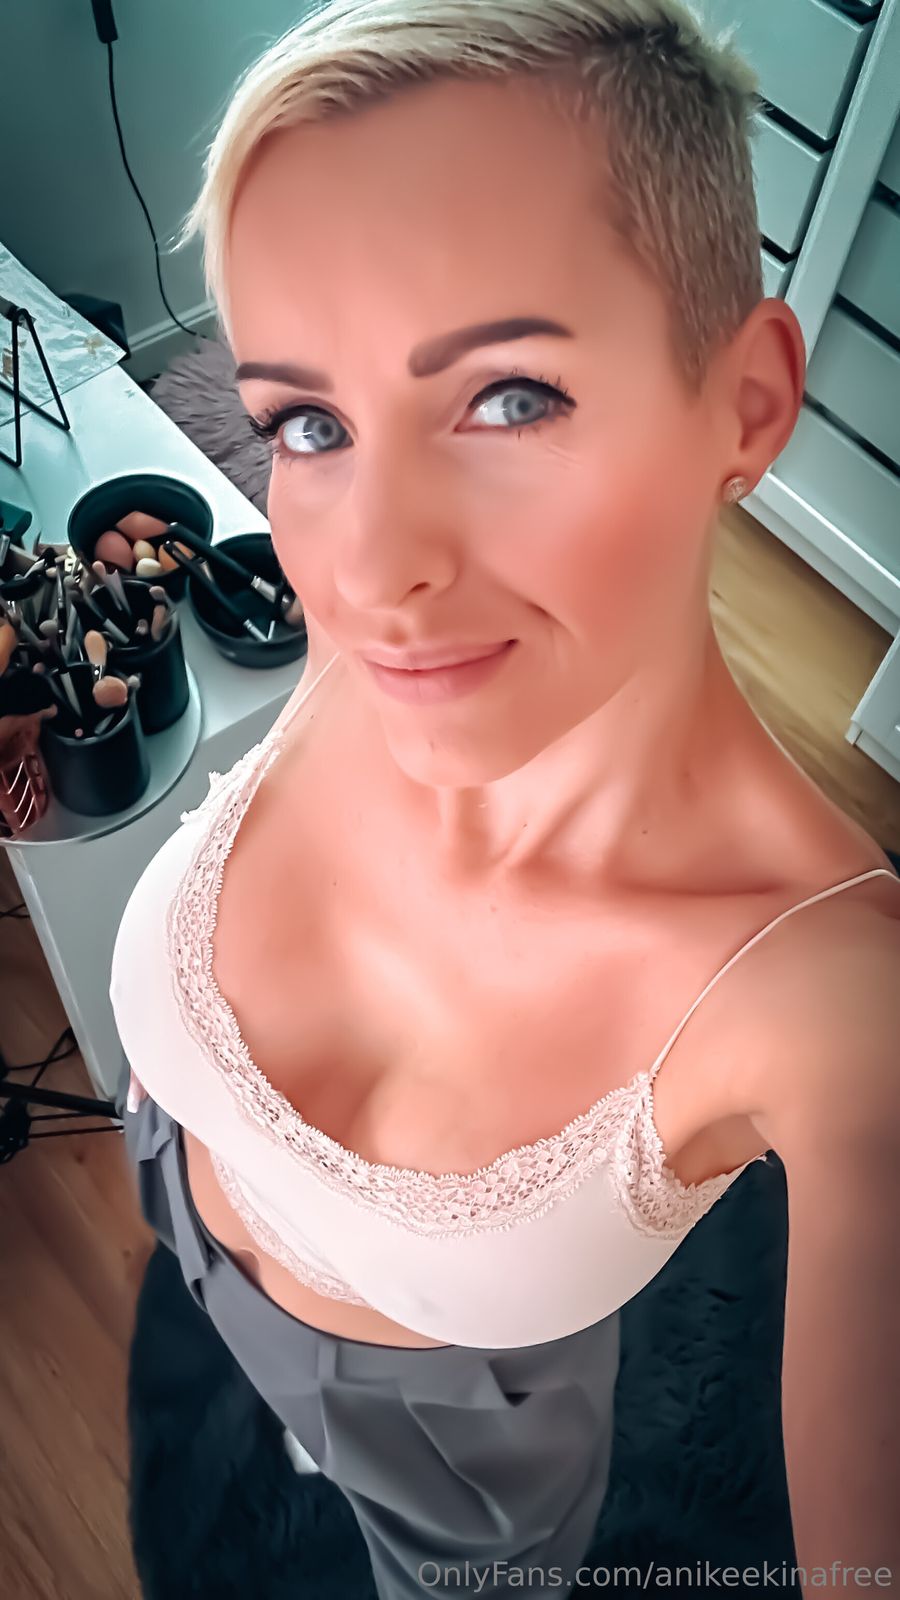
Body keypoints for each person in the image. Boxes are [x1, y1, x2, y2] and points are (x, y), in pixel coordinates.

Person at [111, 1, 900, 1593]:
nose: (366, 570)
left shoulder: (834, 1003)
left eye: (510, 397)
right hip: (178, 1241)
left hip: (453, 1473)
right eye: (310, 424)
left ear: (746, 405)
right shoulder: (394, 646)